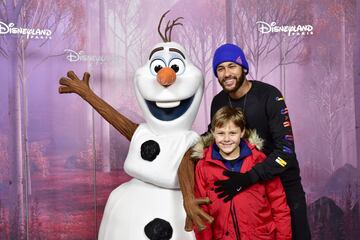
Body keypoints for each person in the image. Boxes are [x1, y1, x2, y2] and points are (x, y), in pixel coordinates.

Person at [178, 43, 311, 240]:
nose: (227, 74)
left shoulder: (269, 96)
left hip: (281, 182)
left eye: (232, 66)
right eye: (220, 69)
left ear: (244, 68)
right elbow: (212, 136)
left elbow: (286, 152)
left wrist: (248, 177)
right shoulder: (219, 101)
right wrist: (189, 152)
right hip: (247, 190)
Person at [193, 106, 292, 240]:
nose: (226, 139)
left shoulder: (259, 160)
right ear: (213, 133)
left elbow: (279, 205)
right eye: (221, 133)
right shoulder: (204, 167)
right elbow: (202, 213)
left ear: (242, 132)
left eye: (232, 133)